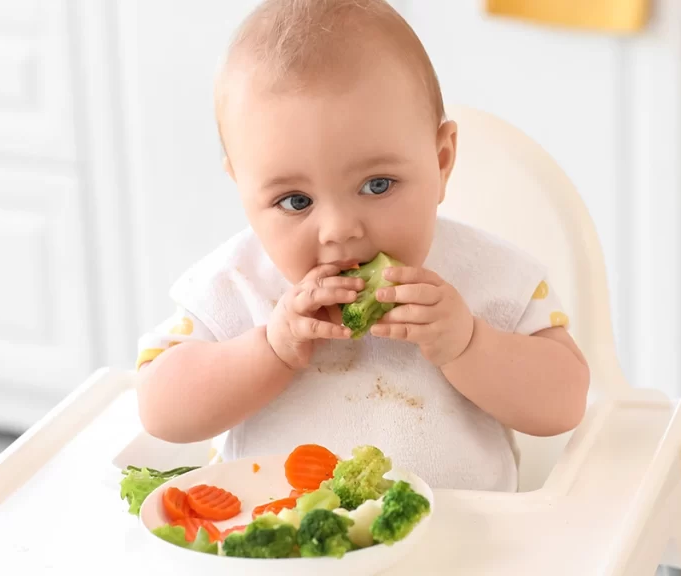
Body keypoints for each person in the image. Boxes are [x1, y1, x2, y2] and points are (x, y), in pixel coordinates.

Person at [135, 0, 589, 492]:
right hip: (286, 552)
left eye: (377, 185)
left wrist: (468, 343)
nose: (338, 230)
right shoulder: (237, 283)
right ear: (242, 188)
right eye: (295, 200)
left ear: (440, 162)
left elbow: (564, 402)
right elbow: (159, 410)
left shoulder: (492, 276)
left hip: (464, 551)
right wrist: (271, 348)